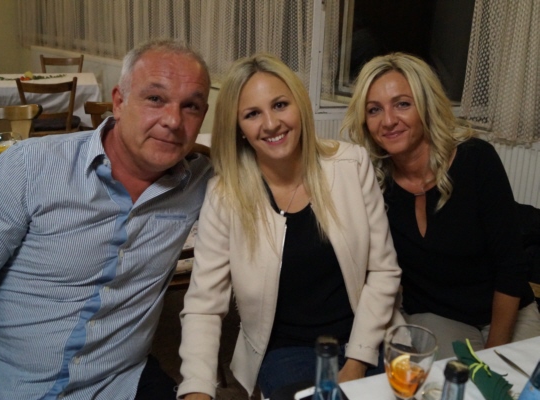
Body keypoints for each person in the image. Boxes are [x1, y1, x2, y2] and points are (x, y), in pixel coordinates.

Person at [0, 39, 212, 400]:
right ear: (119, 102)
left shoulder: (203, 182)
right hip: (11, 386)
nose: (173, 121)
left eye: (190, 106)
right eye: (155, 98)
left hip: (118, 383)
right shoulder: (30, 168)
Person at [177, 53, 403, 400]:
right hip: (288, 352)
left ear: (300, 105)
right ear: (238, 128)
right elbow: (204, 306)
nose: (271, 124)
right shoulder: (224, 196)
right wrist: (196, 390)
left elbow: (384, 271)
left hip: (369, 337)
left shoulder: (350, 164)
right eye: (252, 114)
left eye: (280, 105)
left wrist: (356, 361)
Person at [344, 52, 540, 359]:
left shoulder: (476, 159)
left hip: (507, 313)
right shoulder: (373, 182)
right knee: (446, 383)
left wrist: (493, 353)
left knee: (513, 383)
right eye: (374, 110)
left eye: (402, 104)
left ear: (426, 106)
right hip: (438, 318)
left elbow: (511, 266)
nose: (388, 120)